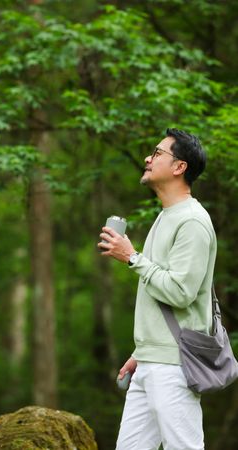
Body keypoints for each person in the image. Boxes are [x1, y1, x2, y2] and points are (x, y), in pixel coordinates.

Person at [98, 128, 216, 450]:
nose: (148, 159)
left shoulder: (192, 221)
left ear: (180, 167)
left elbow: (180, 292)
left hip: (174, 366)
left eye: (158, 153)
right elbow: (160, 293)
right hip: (151, 362)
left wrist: (132, 257)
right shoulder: (166, 217)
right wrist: (142, 352)